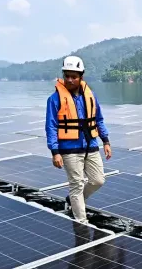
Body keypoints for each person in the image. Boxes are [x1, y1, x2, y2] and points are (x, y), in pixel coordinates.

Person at [46, 55, 111, 222]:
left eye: (74, 76)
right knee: (76, 184)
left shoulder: (90, 96)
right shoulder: (54, 99)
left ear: (81, 76)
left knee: (98, 180)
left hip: (90, 144)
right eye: (66, 75)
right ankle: (82, 223)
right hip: (69, 149)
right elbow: (51, 126)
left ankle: (74, 199)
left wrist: (106, 141)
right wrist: (55, 152)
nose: (69, 80)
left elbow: (99, 119)